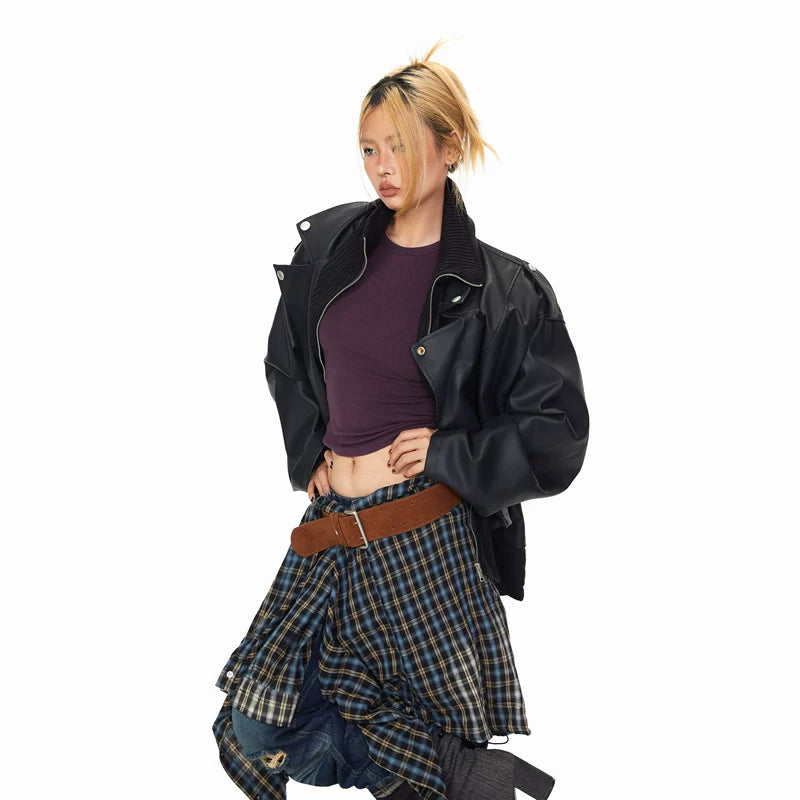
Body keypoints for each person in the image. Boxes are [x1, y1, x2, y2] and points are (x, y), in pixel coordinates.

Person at [212, 40, 589, 800]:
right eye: (368, 149)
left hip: (425, 539)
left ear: (450, 148)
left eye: (401, 147)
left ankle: (446, 771)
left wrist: (451, 453)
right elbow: (287, 359)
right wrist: (309, 453)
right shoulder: (331, 252)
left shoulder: (504, 288)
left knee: (408, 732)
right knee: (254, 726)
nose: (382, 167)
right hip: (331, 531)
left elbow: (556, 432)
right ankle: (461, 772)